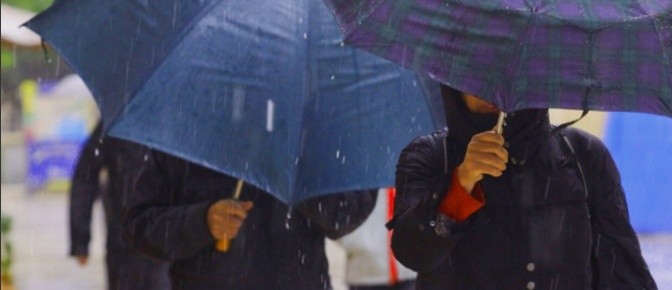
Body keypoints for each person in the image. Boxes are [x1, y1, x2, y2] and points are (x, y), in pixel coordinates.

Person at [388, 86, 658, 289]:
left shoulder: (582, 155)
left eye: (502, 74)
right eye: (476, 76)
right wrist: (462, 181)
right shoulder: (430, 156)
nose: (490, 88)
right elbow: (413, 252)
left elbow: (622, 271)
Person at [123, 149, 378, 290]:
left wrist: (299, 178)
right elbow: (141, 226)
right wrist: (202, 221)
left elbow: (348, 213)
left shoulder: (314, 125)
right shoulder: (185, 126)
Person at [69, 122, 171, 290]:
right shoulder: (118, 121)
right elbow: (86, 176)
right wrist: (80, 238)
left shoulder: (178, 124)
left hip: (167, 242)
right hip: (125, 242)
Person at [336, 188, 416, 290]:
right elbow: (338, 216)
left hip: (409, 271)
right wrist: (358, 243)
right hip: (366, 273)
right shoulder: (362, 175)